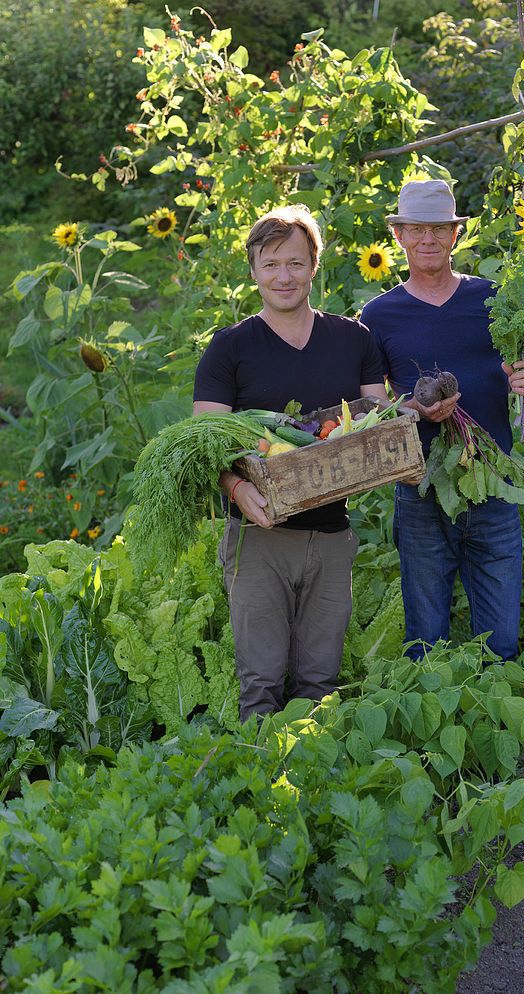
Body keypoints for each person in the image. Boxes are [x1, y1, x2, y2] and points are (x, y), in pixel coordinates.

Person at [193, 205, 388, 720]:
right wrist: (238, 490)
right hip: (259, 536)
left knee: (320, 682)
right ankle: (257, 785)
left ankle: (310, 781)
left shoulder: (353, 339)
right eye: (272, 263)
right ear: (254, 271)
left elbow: (375, 418)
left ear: (314, 268)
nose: (285, 276)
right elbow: (203, 446)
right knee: (259, 684)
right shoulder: (229, 349)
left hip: (331, 536)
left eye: (296, 263)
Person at [361, 179, 524, 661]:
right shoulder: (378, 315)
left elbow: (518, 365)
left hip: (493, 479)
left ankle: (498, 720)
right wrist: (412, 409)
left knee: (501, 640)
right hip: (421, 487)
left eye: (438, 229)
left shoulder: (493, 300)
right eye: (416, 229)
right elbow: (371, 407)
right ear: (398, 235)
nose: (427, 240)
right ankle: (430, 731)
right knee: (425, 638)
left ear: (455, 235)